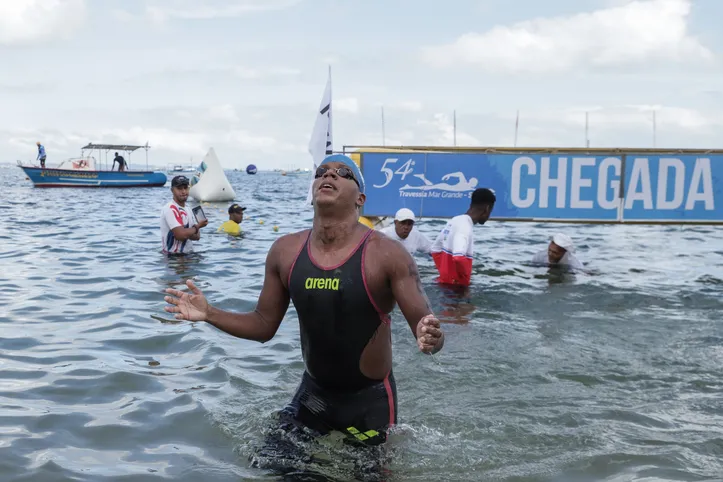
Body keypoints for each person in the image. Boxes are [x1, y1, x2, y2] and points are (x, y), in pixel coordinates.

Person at [163, 153, 444, 476]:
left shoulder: (387, 254)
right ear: (312, 190)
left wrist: (431, 336)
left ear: (360, 199)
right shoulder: (286, 251)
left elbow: (425, 326)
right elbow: (264, 325)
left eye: (343, 173)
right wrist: (210, 313)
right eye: (322, 171)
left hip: (370, 404)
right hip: (313, 397)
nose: (330, 175)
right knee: (267, 467)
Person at [430, 188, 496, 286]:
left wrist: (445, 274)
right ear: (487, 209)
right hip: (456, 289)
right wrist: (463, 282)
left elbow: (435, 249)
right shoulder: (465, 227)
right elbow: (458, 258)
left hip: (444, 284)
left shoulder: (455, 220)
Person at [160, 175, 208, 254]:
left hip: (187, 255)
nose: (183, 191)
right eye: (179, 188)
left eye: (185, 188)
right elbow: (180, 235)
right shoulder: (171, 208)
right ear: (172, 190)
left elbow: (196, 237)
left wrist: (196, 227)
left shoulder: (188, 209)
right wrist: (198, 226)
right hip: (173, 257)